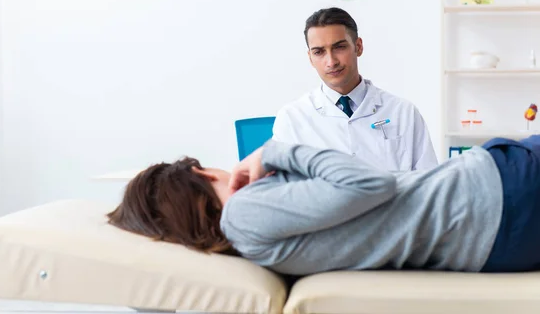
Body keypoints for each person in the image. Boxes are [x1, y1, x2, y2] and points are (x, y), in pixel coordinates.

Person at [107, 134, 540, 276]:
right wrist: (274, 150)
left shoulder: (249, 235)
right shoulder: (244, 215)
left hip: (497, 226)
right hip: (500, 197)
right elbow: (369, 184)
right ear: (201, 175)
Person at [273, 7, 437, 171]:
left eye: (339, 47)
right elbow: (283, 190)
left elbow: (430, 183)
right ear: (310, 58)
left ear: (358, 46)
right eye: (319, 52)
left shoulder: (403, 112)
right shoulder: (292, 119)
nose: (331, 62)